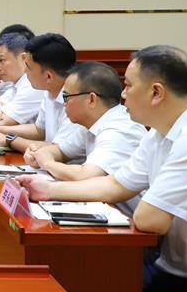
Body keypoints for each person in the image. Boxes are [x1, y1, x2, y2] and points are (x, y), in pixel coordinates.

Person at [17, 45, 187, 292]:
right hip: (177, 269)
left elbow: (151, 220)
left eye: (128, 85)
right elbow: (116, 185)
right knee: (93, 288)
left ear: (156, 92)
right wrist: (48, 190)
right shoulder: (159, 134)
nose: (122, 94)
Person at [25, 62, 147, 212]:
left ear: (91, 99)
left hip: (130, 219)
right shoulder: (92, 123)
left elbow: (86, 176)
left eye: (66, 96)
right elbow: (59, 151)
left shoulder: (119, 129)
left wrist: (47, 163)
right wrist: (39, 153)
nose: (64, 104)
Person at [0, 33, 87, 155]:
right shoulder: (50, 91)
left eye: (28, 67)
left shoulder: (76, 100)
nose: (25, 71)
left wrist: (8, 139)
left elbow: (58, 149)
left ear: (48, 76)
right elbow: (39, 130)